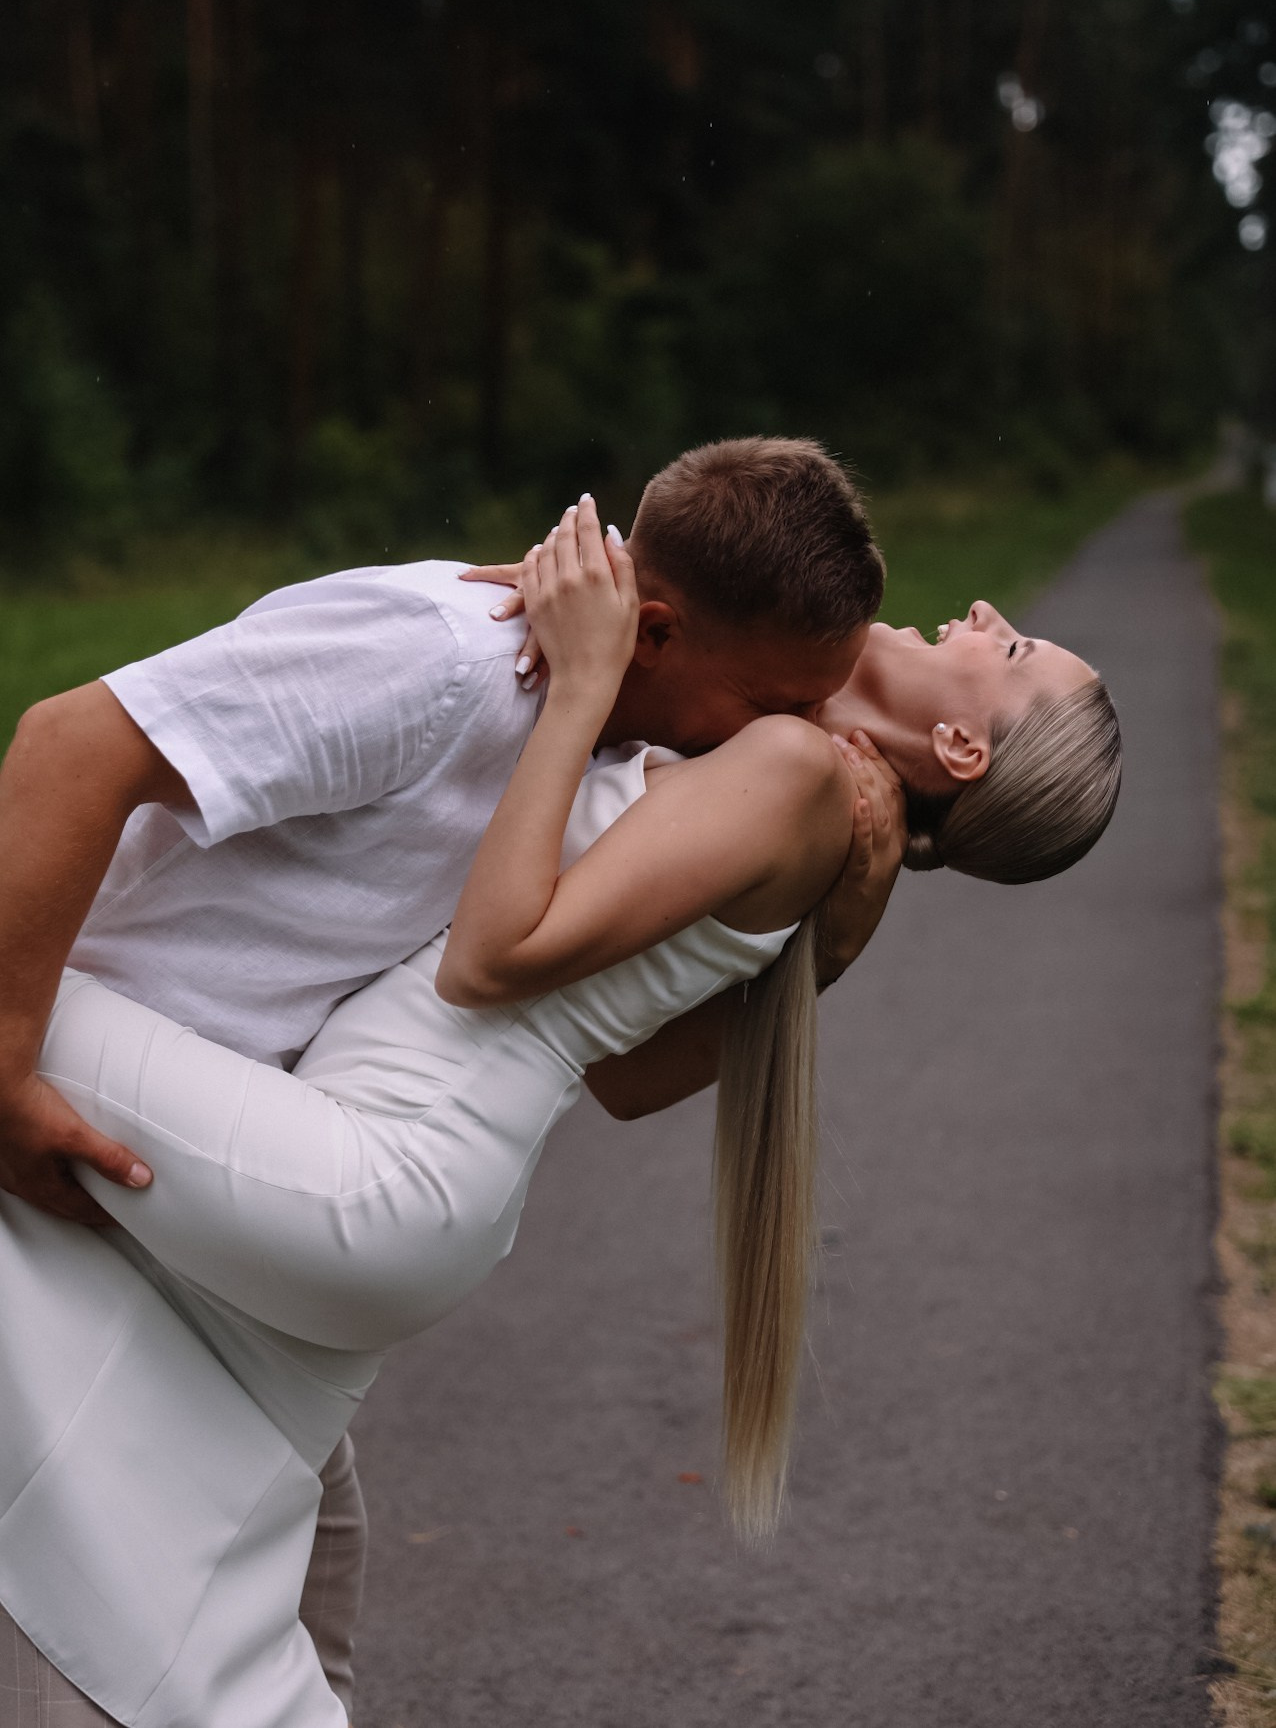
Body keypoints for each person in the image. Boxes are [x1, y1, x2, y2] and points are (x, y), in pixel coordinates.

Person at [0, 501, 1121, 1727]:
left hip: (380, 1173)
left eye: (1009, 654)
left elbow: (489, 959)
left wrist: (586, 681)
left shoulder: (793, 777)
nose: (983, 617)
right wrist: (834, 941)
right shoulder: (814, 812)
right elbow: (627, 1078)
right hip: (423, 1200)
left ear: (960, 748)